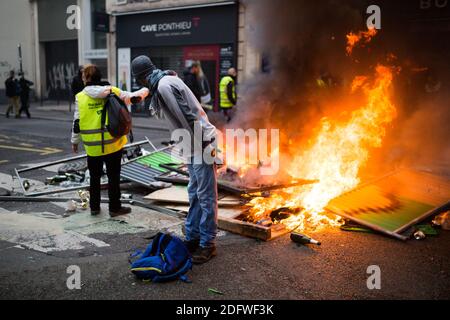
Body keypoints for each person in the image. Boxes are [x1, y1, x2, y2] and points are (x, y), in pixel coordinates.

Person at [131, 55, 218, 265]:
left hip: (200, 143)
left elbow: (188, 116)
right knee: (195, 193)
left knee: (205, 196)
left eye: (139, 81)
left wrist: (204, 146)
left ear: (142, 77)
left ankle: (208, 244)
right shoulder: (165, 81)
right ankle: (193, 237)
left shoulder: (163, 86)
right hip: (192, 144)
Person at [71, 64, 148, 218]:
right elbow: (132, 97)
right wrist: (148, 89)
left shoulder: (80, 97)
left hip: (93, 147)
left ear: (85, 78)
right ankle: (114, 208)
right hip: (113, 144)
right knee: (113, 177)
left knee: (94, 177)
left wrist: (74, 141)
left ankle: (94, 208)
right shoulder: (111, 91)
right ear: (100, 77)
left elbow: (77, 122)